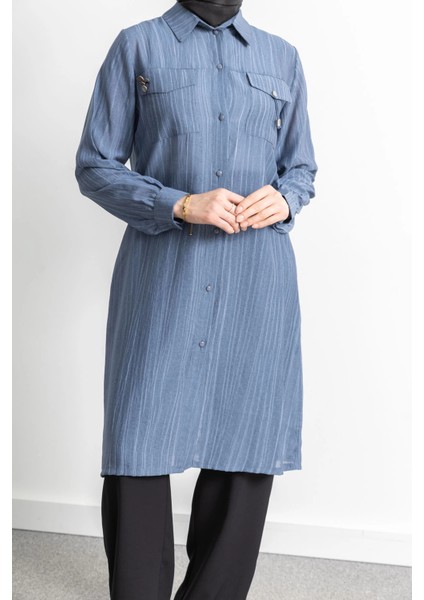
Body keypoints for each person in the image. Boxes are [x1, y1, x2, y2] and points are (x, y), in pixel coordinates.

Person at [74, 0, 317, 598]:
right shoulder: (137, 45)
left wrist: (286, 197)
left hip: (256, 281)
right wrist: (180, 203)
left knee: (246, 440)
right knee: (139, 440)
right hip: (164, 275)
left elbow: (301, 169)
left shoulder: (282, 57)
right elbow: (95, 165)